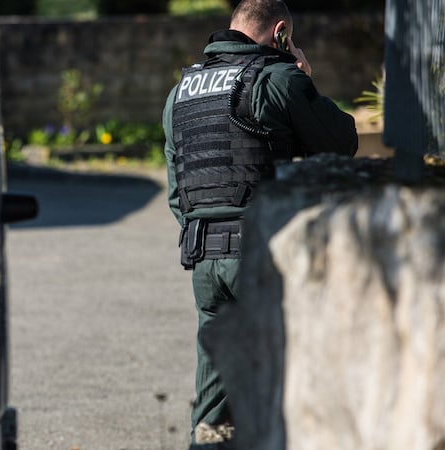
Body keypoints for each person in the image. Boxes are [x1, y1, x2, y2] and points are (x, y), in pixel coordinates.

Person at [161, 0, 357, 445]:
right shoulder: (280, 78)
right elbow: (342, 141)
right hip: (267, 260)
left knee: (214, 409)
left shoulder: (181, 92)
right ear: (281, 32)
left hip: (207, 260)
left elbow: (179, 194)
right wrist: (303, 73)